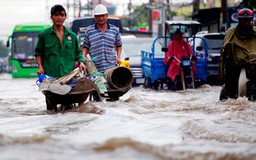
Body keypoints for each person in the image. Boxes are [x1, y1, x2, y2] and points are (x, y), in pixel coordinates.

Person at [35, 4, 86, 78]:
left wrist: (81, 62)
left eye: (62, 15)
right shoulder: (44, 35)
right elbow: (38, 53)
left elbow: (78, 53)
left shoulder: (72, 36)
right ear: (51, 17)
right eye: (56, 15)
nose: (59, 17)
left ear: (65, 17)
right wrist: (40, 67)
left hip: (69, 76)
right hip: (50, 76)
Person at [219, 8, 256, 100]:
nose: (246, 22)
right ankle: (229, 95)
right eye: (243, 20)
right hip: (235, 62)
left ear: (251, 20)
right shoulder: (231, 32)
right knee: (229, 87)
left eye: (248, 20)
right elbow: (224, 49)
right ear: (239, 20)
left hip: (253, 63)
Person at [82, 4, 122, 73]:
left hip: (111, 67)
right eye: (98, 16)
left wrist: (118, 57)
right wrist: (83, 57)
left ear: (107, 16)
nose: (101, 18)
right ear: (94, 17)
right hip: (94, 68)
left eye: (103, 15)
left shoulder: (114, 30)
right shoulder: (89, 30)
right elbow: (85, 46)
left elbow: (119, 45)